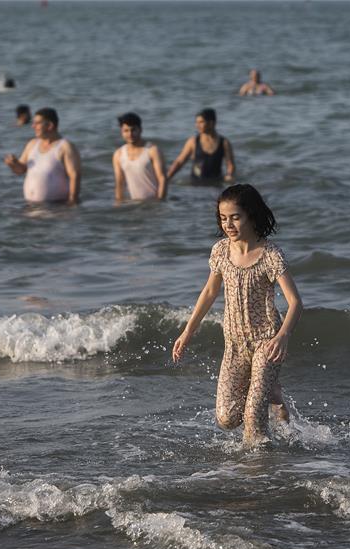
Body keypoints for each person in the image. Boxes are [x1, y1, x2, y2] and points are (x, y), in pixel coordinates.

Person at [172, 184, 303, 445]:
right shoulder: (220, 251)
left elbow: (296, 302)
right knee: (227, 418)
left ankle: (257, 473)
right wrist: (187, 331)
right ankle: (272, 392)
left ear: (251, 215)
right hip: (233, 342)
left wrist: (283, 336)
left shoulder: (270, 255)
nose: (228, 224)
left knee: (253, 417)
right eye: (223, 218)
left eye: (235, 217)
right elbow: (209, 293)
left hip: (267, 340)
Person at [4, 107, 81, 205]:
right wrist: (13, 164)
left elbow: (75, 176)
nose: (33, 126)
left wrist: (72, 201)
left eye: (37, 123)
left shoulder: (65, 147)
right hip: (29, 206)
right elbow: (20, 170)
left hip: (56, 207)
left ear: (50, 125)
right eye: (33, 123)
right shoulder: (32, 144)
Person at [167, 108, 235, 185]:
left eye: (201, 122)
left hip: (215, 183)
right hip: (195, 183)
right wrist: (168, 177)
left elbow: (230, 164)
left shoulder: (224, 142)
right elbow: (179, 162)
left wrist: (229, 175)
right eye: (196, 122)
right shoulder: (193, 142)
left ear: (211, 123)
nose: (197, 125)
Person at [112, 112, 167, 202]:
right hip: (134, 204)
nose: (130, 134)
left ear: (140, 130)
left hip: (154, 203)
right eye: (126, 130)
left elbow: (162, 179)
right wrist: (118, 205)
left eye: (133, 130)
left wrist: (160, 202)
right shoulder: (118, 155)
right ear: (121, 132)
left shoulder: (152, 150)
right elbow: (120, 184)